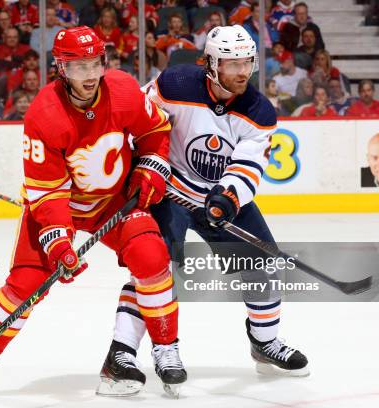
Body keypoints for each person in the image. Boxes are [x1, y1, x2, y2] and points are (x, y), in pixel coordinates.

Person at [0, 26, 186, 398]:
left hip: (113, 201)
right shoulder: (44, 115)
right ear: (61, 69)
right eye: (78, 67)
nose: (89, 74)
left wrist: (151, 167)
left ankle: (166, 347)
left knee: (152, 257)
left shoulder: (124, 90)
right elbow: (48, 194)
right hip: (57, 206)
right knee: (26, 285)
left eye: (94, 63)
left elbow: (156, 130)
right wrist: (59, 243)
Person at [98, 24, 309, 397]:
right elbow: (139, 121)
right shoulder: (174, 84)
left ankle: (264, 342)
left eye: (247, 62)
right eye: (232, 64)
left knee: (261, 264)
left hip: (219, 199)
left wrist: (228, 196)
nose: (242, 72)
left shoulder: (259, 110)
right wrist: (142, 165)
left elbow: (247, 165)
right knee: (154, 269)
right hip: (167, 191)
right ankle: (121, 354)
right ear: (211, 64)